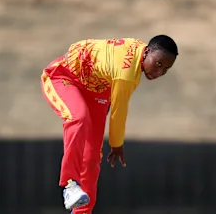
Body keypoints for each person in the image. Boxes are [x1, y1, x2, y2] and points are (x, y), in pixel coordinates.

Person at [40, 35, 178, 214]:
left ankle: (82, 213)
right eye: (159, 64)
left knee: (91, 157)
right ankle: (70, 184)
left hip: (96, 88)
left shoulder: (140, 53)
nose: (160, 72)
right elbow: (118, 112)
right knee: (78, 118)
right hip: (63, 77)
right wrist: (117, 144)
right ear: (148, 52)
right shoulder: (127, 74)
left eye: (166, 69)